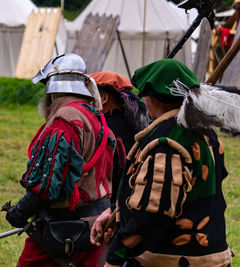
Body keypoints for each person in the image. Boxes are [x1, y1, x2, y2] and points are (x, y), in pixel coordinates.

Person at [91, 58, 240, 267]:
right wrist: (116, 210)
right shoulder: (207, 133)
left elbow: (150, 217)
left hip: (172, 259)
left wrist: (115, 258)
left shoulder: (167, 143)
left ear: (153, 97)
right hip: (213, 257)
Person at [4, 53, 116, 267]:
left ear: (52, 88)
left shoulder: (65, 120)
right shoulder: (96, 116)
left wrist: (20, 211)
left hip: (64, 227)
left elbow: (49, 185)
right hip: (95, 225)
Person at [90, 71, 148, 202]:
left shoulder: (101, 130)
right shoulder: (136, 125)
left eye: (88, 96)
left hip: (109, 206)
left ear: (103, 99)